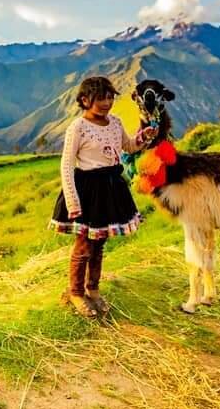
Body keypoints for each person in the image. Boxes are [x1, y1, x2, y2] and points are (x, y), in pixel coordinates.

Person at [49, 76, 157, 317]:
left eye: (110, 97)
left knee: (99, 243)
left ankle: (93, 289)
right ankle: (76, 293)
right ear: (85, 100)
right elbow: (66, 165)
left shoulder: (115, 123)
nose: (107, 102)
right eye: (101, 98)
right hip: (88, 190)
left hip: (111, 188)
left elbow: (128, 147)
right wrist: (72, 201)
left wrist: (143, 137)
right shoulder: (78, 127)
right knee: (83, 245)